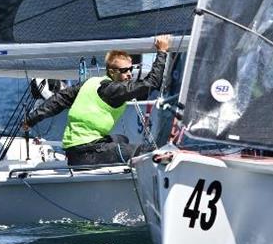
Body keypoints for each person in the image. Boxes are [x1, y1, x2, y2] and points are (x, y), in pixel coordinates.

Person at [23, 35, 171, 166]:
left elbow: (59, 100)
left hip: (75, 151)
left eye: (130, 69)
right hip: (88, 153)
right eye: (124, 70)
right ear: (112, 72)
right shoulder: (114, 89)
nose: (129, 74)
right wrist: (162, 52)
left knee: (122, 139)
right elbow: (152, 83)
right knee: (148, 152)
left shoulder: (91, 82)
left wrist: (30, 120)